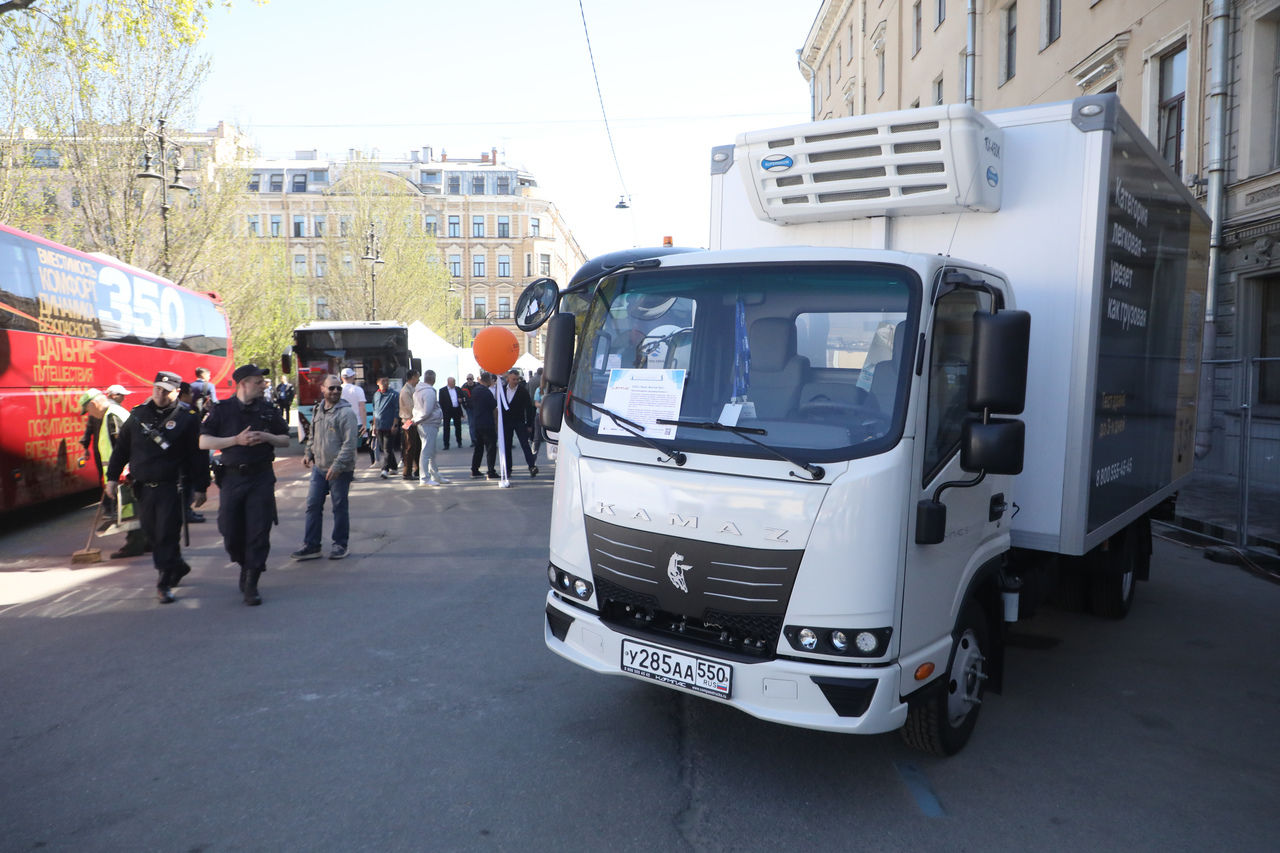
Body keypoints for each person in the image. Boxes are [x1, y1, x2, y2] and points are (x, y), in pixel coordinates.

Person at [105, 371, 210, 603]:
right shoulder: (138, 414)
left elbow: (197, 455)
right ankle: (178, 565)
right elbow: (122, 448)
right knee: (152, 535)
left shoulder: (188, 416)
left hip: (173, 487)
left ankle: (164, 582)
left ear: (176, 392)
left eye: (165, 390)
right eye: (157, 389)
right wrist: (112, 477)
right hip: (143, 487)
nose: (160, 394)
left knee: (166, 533)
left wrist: (202, 486)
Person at [199, 363, 291, 606]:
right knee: (229, 530)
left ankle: (252, 580)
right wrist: (236, 440)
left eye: (263, 382)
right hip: (232, 478)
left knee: (259, 530)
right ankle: (244, 564)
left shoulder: (267, 410)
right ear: (243, 384)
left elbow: (285, 439)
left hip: (260, 477)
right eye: (258, 381)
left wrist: (266, 437)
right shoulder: (222, 410)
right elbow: (203, 441)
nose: (263, 385)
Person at [292, 374, 359, 561]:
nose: (336, 391)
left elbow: (350, 444)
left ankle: (340, 544)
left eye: (338, 388)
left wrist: (337, 465)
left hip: (340, 470)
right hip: (319, 468)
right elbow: (313, 435)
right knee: (313, 505)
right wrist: (308, 453)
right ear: (323, 389)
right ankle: (312, 545)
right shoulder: (317, 410)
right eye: (332, 388)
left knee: (339, 507)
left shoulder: (346, 414)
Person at [79, 388, 149, 557]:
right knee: (134, 508)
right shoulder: (112, 413)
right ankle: (147, 541)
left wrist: (123, 470)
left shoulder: (112, 416)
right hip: (126, 470)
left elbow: (124, 445)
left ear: (94, 404)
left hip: (126, 473)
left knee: (129, 510)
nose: (90, 415)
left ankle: (135, 544)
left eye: (88, 410)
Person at [498, 368, 538, 478]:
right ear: (508, 379)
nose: (515, 381)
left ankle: (532, 466)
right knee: (507, 446)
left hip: (519, 421)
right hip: (506, 423)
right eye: (513, 379)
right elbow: (499, 407)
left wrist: (529, 424)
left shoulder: (522, 391)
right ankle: (508, 468)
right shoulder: (502, 390)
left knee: (525, 444)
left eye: (517, 379)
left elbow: (529, 408)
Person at [411, 369, 447, 486]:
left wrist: (415, 419)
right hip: (429, 423)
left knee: (430, 451)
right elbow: (427, 411)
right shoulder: (429, 392)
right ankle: (425, 477)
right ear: (434, 379)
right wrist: (417, 420)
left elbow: (418, 409)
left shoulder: (418, 391)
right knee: (427, 451)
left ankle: (434, 474)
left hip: (423, 423)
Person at [469, 372, 499, 479]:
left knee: (479, 447)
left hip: (477, 422)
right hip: (487, 423)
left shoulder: (475, 390)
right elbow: (493, 405)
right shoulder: (487, 392)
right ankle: (491, 471)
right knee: (491, 447)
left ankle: (474, 469)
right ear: (488, 380)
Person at [372, 376, 400, 479]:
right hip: (379, 426)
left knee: (387, 448)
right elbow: (375, 410)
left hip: (390, 426)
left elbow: (397, 411)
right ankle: (394, 467)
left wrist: (395, 424)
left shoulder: (394, 394)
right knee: (384, 448)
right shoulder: (376, 394)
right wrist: (374, 425)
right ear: (377, 383)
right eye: (382, 381)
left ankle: (384, 470)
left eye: (386, 381)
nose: (384, 383)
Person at [399, 368, 421, 481]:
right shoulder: (406, 391)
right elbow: (410, 407)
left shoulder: (413, 388)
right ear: (413, 378)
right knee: (409, 447)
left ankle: (417, 470)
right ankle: (407, 472)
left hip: (414, 421)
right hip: (409, 421)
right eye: (417, 377)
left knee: (417, 446)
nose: (418, 380)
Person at [438, 376, 467, 449]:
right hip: (447, 411)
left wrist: (461, 400)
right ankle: (446, 444)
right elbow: (441, 402)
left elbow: (463, 398)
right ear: (448, 383)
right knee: (446, 428)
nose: (454, 384)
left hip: (456, 409)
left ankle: (459, 442)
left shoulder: (457, 389)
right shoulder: (442, 390)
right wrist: (443, 411)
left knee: (458, 427)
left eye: (454, 382)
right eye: (452, 382)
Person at [461, 373, 479, 448]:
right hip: (469, 408)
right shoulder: (464, 387)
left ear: (473, 379)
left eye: (470, 379)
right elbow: (461, 397)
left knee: (478, 424)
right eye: (467, 379)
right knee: (471, 425)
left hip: (477, 408)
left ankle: (479, 439)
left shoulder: (477, 386)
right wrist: (465, 406)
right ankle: (473, 441)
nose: (469, 380)